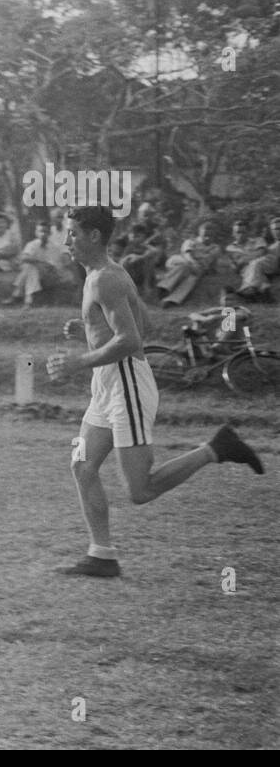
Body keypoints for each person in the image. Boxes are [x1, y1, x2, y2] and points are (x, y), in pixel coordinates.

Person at [45, 206, 264, 578]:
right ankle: (102, 555)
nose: (67, 240)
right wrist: (90, 324)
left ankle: (216, 448)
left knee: (140, 490)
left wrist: (79, 361)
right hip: (108, 385)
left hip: (126, 383)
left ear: (94, 235)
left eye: (73, 233)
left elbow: (131, 340)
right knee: (83, 466)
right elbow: (142, 322)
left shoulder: (105, 279)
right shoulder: (99, 275)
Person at [5, 221, 74, 307]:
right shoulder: (32, 245)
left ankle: (17, 295)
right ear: (36, 233)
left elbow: (52, 267)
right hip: (37, 274)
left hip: (50, 276)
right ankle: (29, 300)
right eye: (41, 231)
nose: (43, 234)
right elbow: (24, 258)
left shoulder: (54, 247)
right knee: (31, 269)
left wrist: (38, 263)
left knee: (30, 268)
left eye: (46, 231)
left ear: (50, 233)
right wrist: (39, 263)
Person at [157, 222, 221, 308]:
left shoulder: (215, 247)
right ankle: (163, 287)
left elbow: (211, 263)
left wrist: (209, 270)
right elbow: (187, 255)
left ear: (214, 235)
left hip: (196, 268)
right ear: (200, 232)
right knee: (185, 265)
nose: (208, 236)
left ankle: (171, 300)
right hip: (180, 261)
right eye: (205, 233)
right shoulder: (191, 241)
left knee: (192, 278)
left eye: (211, 234)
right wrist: (193, 264)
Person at [232, 215, 280, 301]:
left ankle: (248, 288)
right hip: (267, 266)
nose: (277, 232)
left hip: (273, 265)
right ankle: (263, 291)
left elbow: (262, 253)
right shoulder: (273, 245)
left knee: (255, 263)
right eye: (274, 229)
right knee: (254, 266)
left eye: (279, 229)